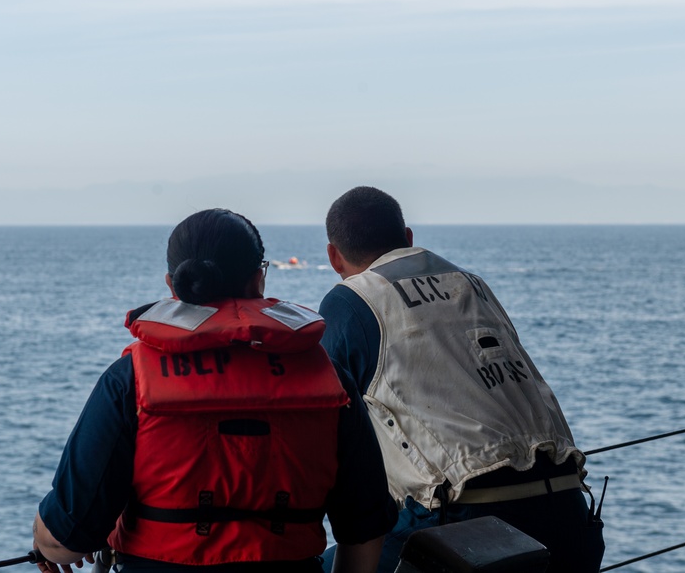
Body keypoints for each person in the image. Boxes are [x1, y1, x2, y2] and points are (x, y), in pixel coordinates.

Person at [31, 208, 397, 573]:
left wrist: (45, 541)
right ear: (259, 280)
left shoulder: (130, 381)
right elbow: (364, 530)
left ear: (173, 285)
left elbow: (65, 539)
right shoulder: (330, 379)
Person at [318, 187, 604, 573]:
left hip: (465, 525)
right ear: (408, 238)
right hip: (571, 518)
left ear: (334, 256)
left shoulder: (352, 300)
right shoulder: (473, 285)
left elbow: (327, 415)